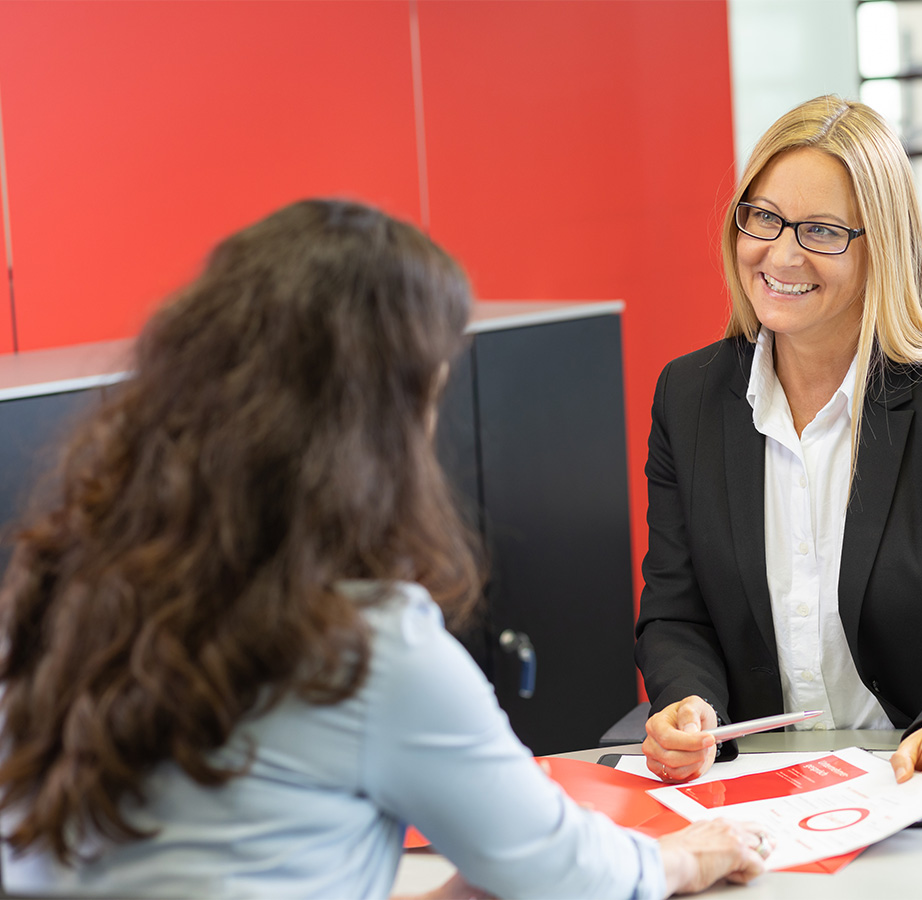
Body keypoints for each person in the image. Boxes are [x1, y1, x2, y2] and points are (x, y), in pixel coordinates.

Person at [0, 200, 771, 898]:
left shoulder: (63, 589)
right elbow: (559, 869)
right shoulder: (363, 646)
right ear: (377, 427)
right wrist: (689, 857)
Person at [634, 95, 922, 786]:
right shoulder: (689, 398)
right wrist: (688, 705)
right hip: (761, 798)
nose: (780, 252)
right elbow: (676, 615)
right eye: (764, 217)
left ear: (881, 246)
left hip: (920, 781)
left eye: (822, 231)